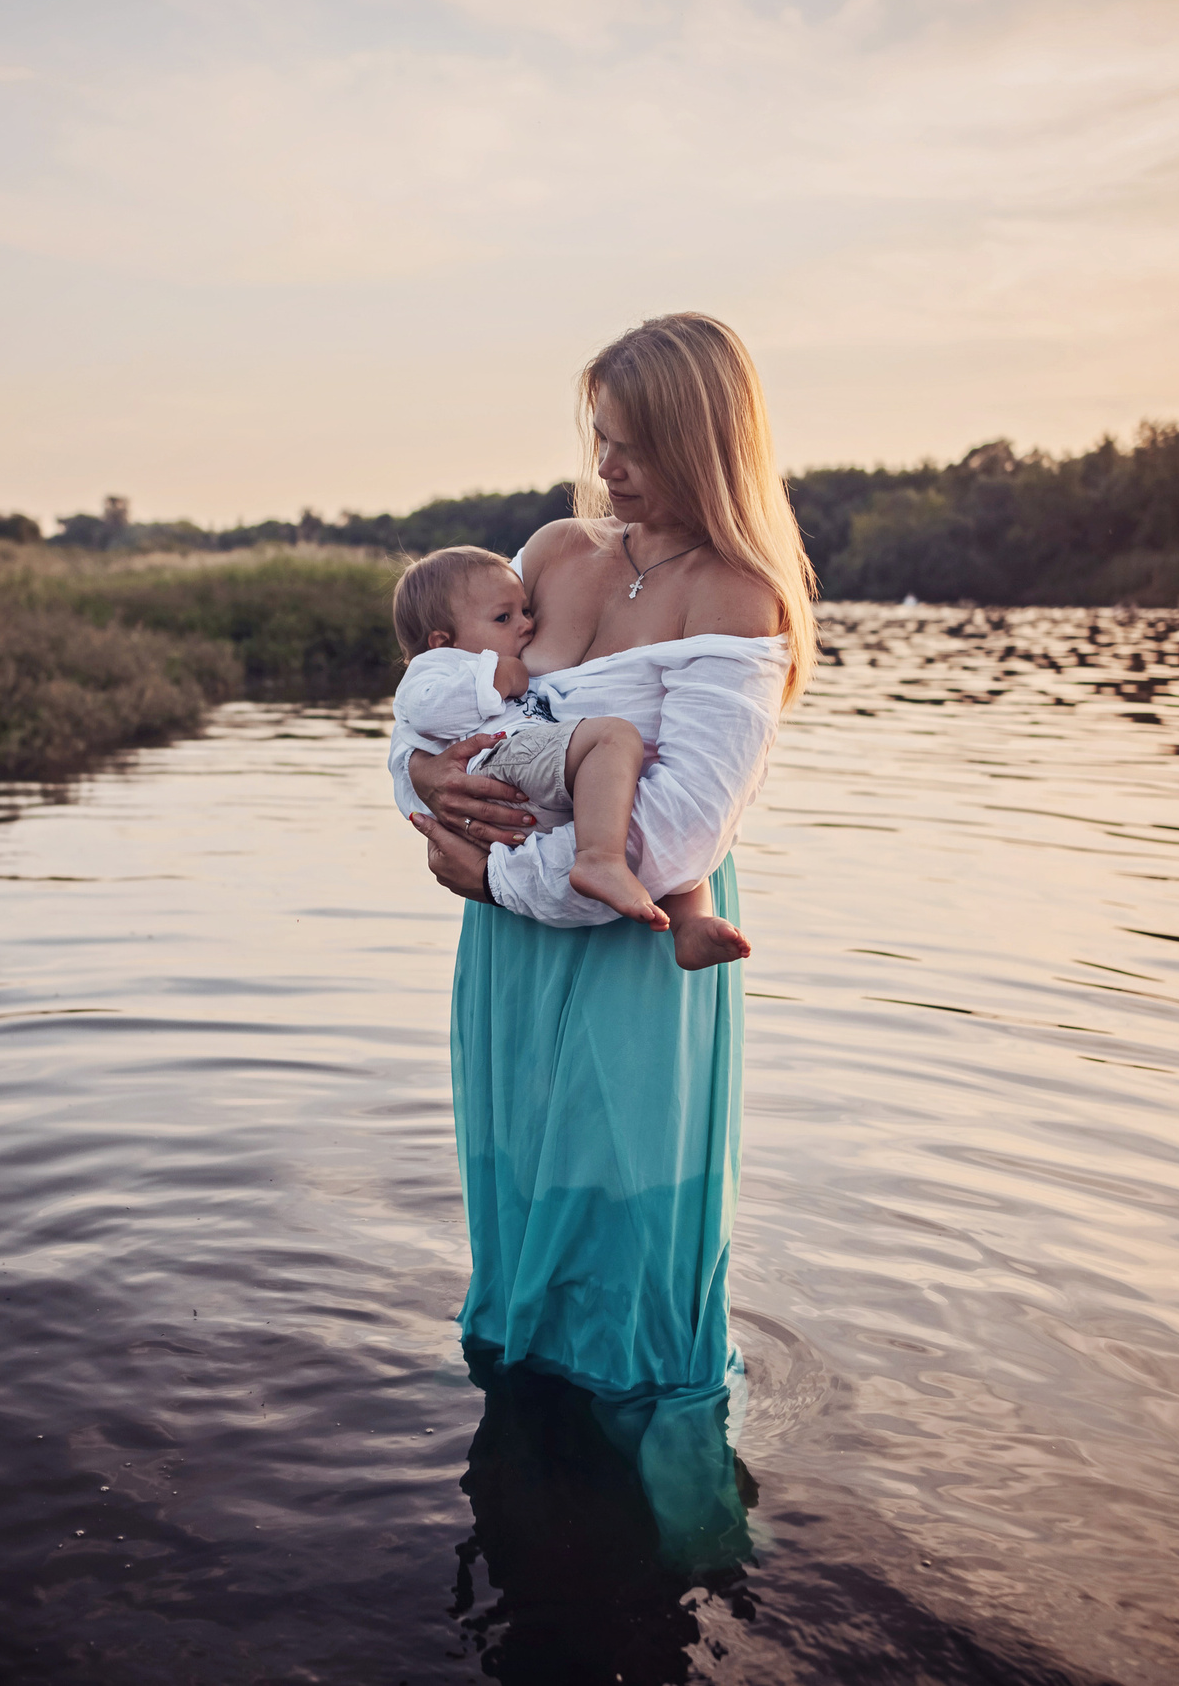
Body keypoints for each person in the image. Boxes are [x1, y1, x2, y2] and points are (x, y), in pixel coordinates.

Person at [391, 312, 817, 1569]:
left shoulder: (737, 596)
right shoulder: (552, 553)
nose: (608, 469)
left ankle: (686, 1537)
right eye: (601, 439)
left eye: (635, 445)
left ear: (704, 440)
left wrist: (488, 872)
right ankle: (533, 1485)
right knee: (524, 1203)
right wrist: (425, 806)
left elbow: (670, 838)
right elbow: (451, 714)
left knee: (627, 1232)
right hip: (512, 937)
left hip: (633, 943)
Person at [388, 544, 754, 971]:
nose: (527, 625)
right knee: (613, 738)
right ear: (440, 641)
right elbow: (422, 712)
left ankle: (690, 922)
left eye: (525, 611)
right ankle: (599, 860)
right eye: (504, 618)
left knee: (638, 800)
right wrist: (492, 679)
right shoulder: (438, 665)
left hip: (530, 772)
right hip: (500, 760)